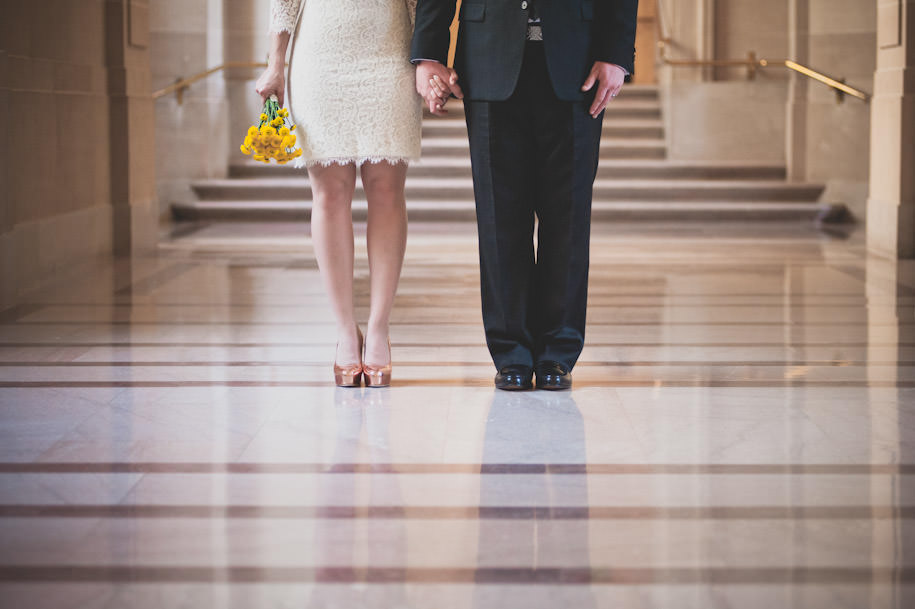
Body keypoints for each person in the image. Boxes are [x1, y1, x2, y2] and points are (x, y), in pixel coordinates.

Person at [412, 0, 638, 391]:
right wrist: (429, 52)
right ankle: (510, 351)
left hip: (578, 58)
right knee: (500, 218)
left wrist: (616, 53)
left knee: (568, 216)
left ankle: (558, 350)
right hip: (488, 54)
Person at [257, 0, 422, 388]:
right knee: (329, 194)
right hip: (319, 55)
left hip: (391, 52)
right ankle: (346, 330)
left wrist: (429, 57)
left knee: (386, 190)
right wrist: (275, 62)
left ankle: (379, 328)